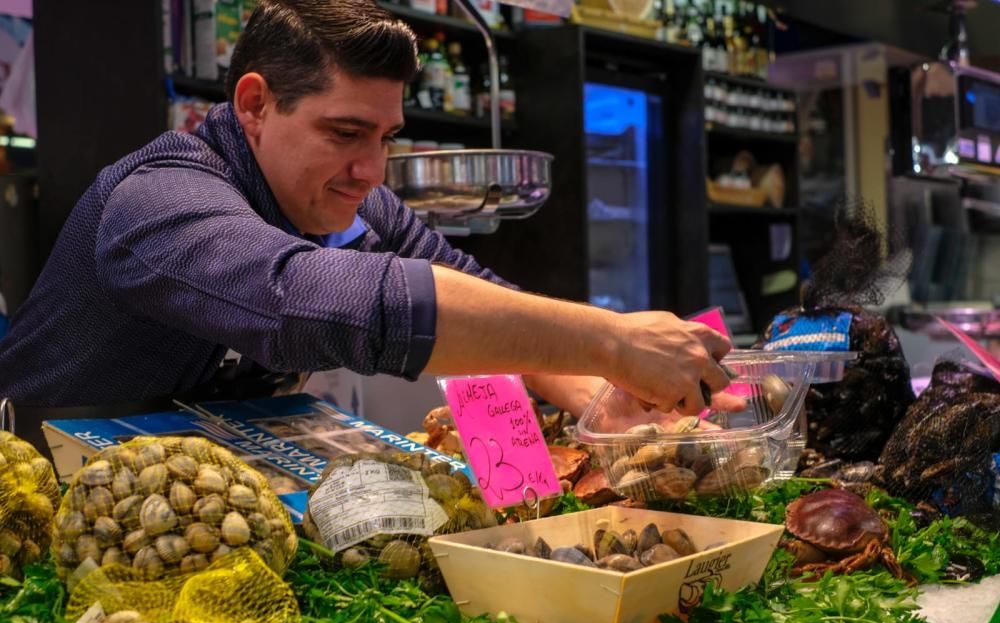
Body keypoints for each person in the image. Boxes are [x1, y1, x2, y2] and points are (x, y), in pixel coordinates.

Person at [0, 0, 733, 450]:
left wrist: (599, 392)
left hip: (212, 490)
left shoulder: (348, 199)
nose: (372, 171)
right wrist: (611, 339)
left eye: (385, 137)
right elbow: (312, 299)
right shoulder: (158, 199)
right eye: (346, 132)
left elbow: (460, 285)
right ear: (255, 104)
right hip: (50, 496)